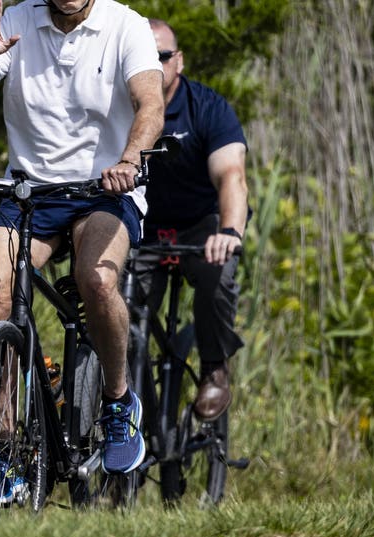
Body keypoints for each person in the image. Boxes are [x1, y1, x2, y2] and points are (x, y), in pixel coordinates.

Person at [0, 0, 164, 497]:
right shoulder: (16, 22)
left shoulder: (124, 25)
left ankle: (118, 400)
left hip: (102, 190)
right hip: (29, 191)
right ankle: (4, 441)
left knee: (98, 280)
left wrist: (128, 159)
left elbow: (151, 105)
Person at [138, 18, 249, 421]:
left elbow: (232, 176)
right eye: (143, 57)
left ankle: (214, 367)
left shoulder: (208, 108)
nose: (154, 65)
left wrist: (229, 231)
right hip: (142, 229)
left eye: (162, 56)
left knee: (217, 275)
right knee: (109, 296)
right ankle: (116, 397)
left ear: (178, 61)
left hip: (203, 226)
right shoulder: (117, 108)